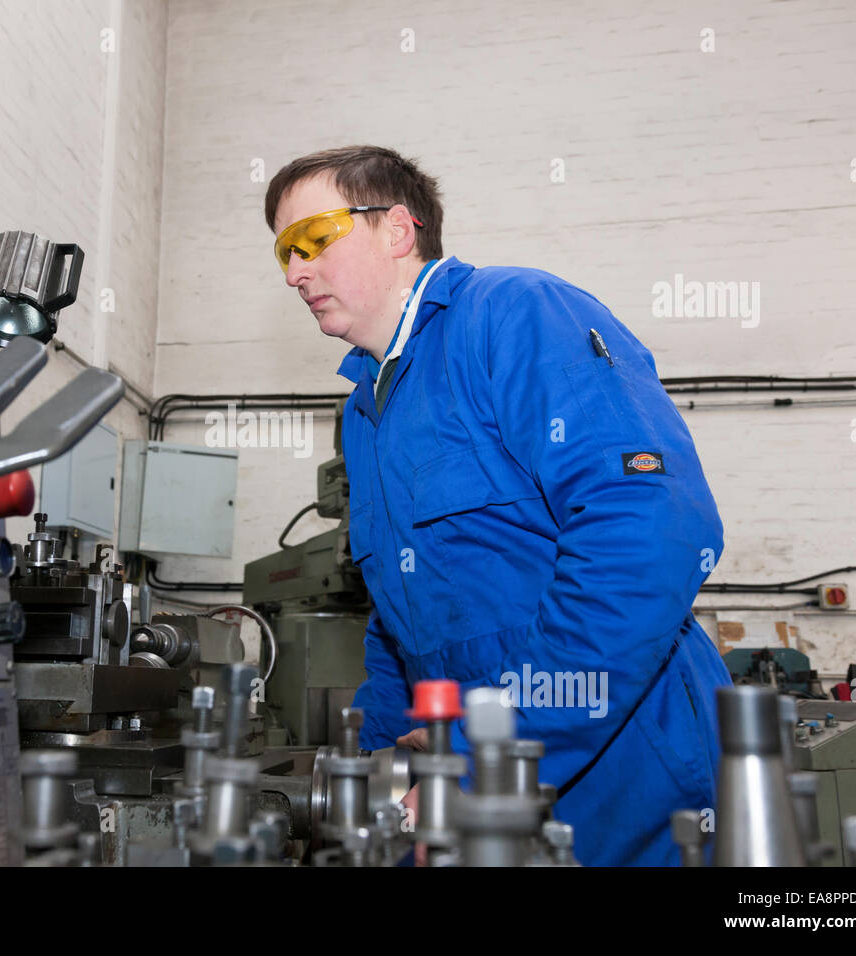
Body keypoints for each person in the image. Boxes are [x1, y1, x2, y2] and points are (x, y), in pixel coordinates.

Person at [264, 146, 731, 866]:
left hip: (625, 770)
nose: (295, 272)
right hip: (472, 780)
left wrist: (500, 751)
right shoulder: (366, 410)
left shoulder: (513, 315)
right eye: (282, 253)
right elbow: (399, 620)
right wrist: (386, 765)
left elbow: (650, 528)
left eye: (313, 239)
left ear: (397, 229)